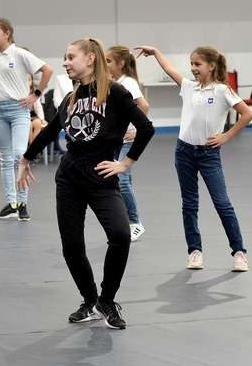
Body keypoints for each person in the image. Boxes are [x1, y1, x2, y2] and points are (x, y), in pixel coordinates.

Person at [17, 38, 155, 330]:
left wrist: (125, 163)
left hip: (101, 177)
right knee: (72, 247)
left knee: (120, 235)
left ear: (90, 59)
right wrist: (25, 159)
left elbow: (145, 127)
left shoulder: (115, 92)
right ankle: (90, 300)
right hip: (69, 178)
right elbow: (49, 132)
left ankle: (107, 300)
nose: (65, 62)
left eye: (71, 57)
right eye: (65, 58)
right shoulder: (71, 97)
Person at [135, 44, 252, 272]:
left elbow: (247, 114)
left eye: (198, 64)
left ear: (212, 66)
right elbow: (169, 68)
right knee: (189, 204)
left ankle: (239, 253)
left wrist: (226, 136)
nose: (193, 68)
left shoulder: (222, 90)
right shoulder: (189, 87)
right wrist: (155, 52)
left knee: (222, 204)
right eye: (191, 64)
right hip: (184, 152)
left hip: (209, 155)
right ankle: (194, 252)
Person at [0, 17, 53, 221]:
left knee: (19, 155)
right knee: (5, 158)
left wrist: (36, 94)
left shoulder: (19, 54)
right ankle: (12, 203)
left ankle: (23, 202)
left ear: (7, 33)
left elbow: (47, 70)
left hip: (18, 110)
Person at [106, 46, 151, 242]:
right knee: (122, 181)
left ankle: (135, 222)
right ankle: (126, 221)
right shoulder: (117, 82)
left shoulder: (128, 83)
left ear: (121, 63)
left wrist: (138, 130)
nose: (105, 64)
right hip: (119, 139)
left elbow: (144, 105)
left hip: (128, 140)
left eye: (108, 61)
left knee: (122, 179)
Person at [27, 73, 46, 145]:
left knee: (37, 123)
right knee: (28, 125)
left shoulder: (34, 93)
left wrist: (42, 119)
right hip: (23, 116)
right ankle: (30, 146)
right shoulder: (19, 93)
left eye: (29, 80)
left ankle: (34, 146)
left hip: (33, 115)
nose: (27, 82)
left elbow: (38, 107)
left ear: (32, 81)